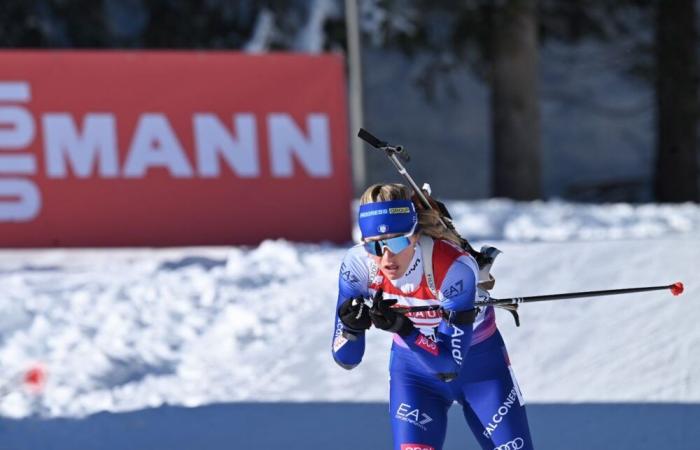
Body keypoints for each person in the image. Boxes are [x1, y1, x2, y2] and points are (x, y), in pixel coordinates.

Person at [331, 183, 534, 450]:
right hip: (414, 376)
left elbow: (449, 366)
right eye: (375, 246)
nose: (387, 257)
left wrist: (403, 328)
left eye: (397, 240)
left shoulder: (451, 267)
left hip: (481, 371)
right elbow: (346, 358)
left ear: (415, 236)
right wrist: (351, 326)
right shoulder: (357, 265)